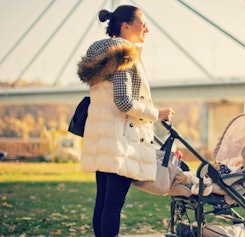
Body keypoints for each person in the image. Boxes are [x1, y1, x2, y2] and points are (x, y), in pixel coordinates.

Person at [77, 5, 175, 237]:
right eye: (142, 24)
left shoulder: (99, 55)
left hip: (102, 138)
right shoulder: (122, 55)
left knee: (103, 201)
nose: (147, 29)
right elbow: (123, 102)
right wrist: (156, 113)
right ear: (126, 26)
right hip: (121, 140)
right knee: (113, 205)